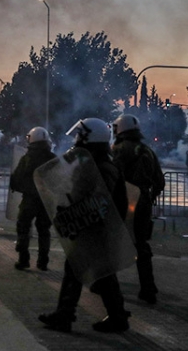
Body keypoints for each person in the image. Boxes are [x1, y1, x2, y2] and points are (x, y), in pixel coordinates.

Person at [38, 118, 131, 333]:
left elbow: (98, 200)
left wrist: (77, 210)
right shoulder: (94, 163)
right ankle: (116, 317)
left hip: (95, 229)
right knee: (100, 273)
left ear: (89, 138)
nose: (76, 140)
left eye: (79, 136)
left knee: (78, 270)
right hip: (94, 228)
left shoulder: (103, 167)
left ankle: (65, 315)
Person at [111, 114, 162, 304]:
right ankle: (148, 288)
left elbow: (112, 177)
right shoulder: (148, 151)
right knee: (141, 245)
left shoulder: (118, 149)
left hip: (122, 201)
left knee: (112, 242)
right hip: (143, 201)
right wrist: (148, 198)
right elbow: (160, 181)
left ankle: (106, 285)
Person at [10, 126, 56, 271]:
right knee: (44, 231)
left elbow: (17, 178)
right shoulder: (52, 158)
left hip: (29, 199)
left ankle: (23, 260)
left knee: (23, 228)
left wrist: (21, 188)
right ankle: (43, 262)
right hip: (47, 200)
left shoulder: (27, 158)